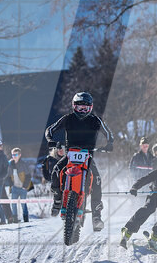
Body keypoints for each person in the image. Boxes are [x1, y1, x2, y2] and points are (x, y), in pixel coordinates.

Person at [45, 91, 114, 231]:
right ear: (73, 106)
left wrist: (110, 143)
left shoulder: (95, 120)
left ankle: (96, 216)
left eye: (85, 107)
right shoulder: (68, 119)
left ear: (91, 107)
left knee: (97, 181)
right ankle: (57, 199)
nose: (82, 110)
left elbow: (108, 133)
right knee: (56, 171)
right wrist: (50, 140)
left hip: (87, 156)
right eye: (79, 107)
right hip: (70, 155)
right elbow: (50, 130)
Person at [8, 147, 32, 223]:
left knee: (23, 204)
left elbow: (28, 176)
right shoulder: (10, 164)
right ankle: (15, 219)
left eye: (15, 155)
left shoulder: (23, 164)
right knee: (13, 204)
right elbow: (8, 176)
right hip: (14, 188)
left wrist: (25, 186)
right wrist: (11, 185)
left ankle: (26, 218)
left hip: (22, 188)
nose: (14, 156)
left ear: (20, 155)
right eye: (13, 155)